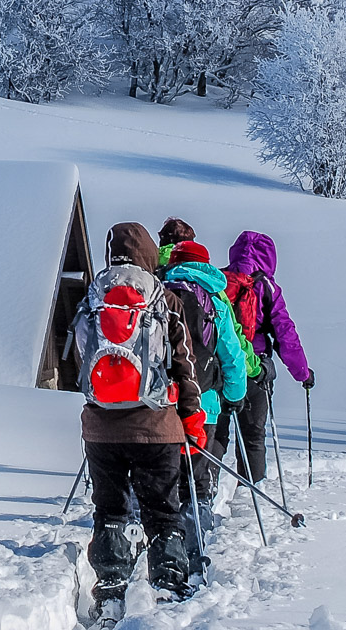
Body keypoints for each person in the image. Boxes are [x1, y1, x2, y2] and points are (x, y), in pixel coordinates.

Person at [75, 222, 206, 622]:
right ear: (150, 253)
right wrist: (193, 423)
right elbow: (185, 368)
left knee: (110, 510)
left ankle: (110, 593)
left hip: (101, 430)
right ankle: (167, 589)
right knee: (162, 512)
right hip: (157, 429)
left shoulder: (93, 299)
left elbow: (79, 357)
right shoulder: (163, 300)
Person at [160, 239, 259, 562]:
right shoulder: (214, 301)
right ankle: (193, 548)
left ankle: (162, 548)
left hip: (161, 403)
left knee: (165, 475)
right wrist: (234, 396)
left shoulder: (159, 293)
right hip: (205, 404)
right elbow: (231, 354)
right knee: (198, 478)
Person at [219, 230, 313, 487]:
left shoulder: (218, 281)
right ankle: (251, 492)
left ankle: (204, 494)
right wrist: (302, 373)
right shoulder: (267, 287)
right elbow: (285, 333)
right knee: (252, 435)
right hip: (255, 370)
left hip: (219, 368)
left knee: (216, 433)